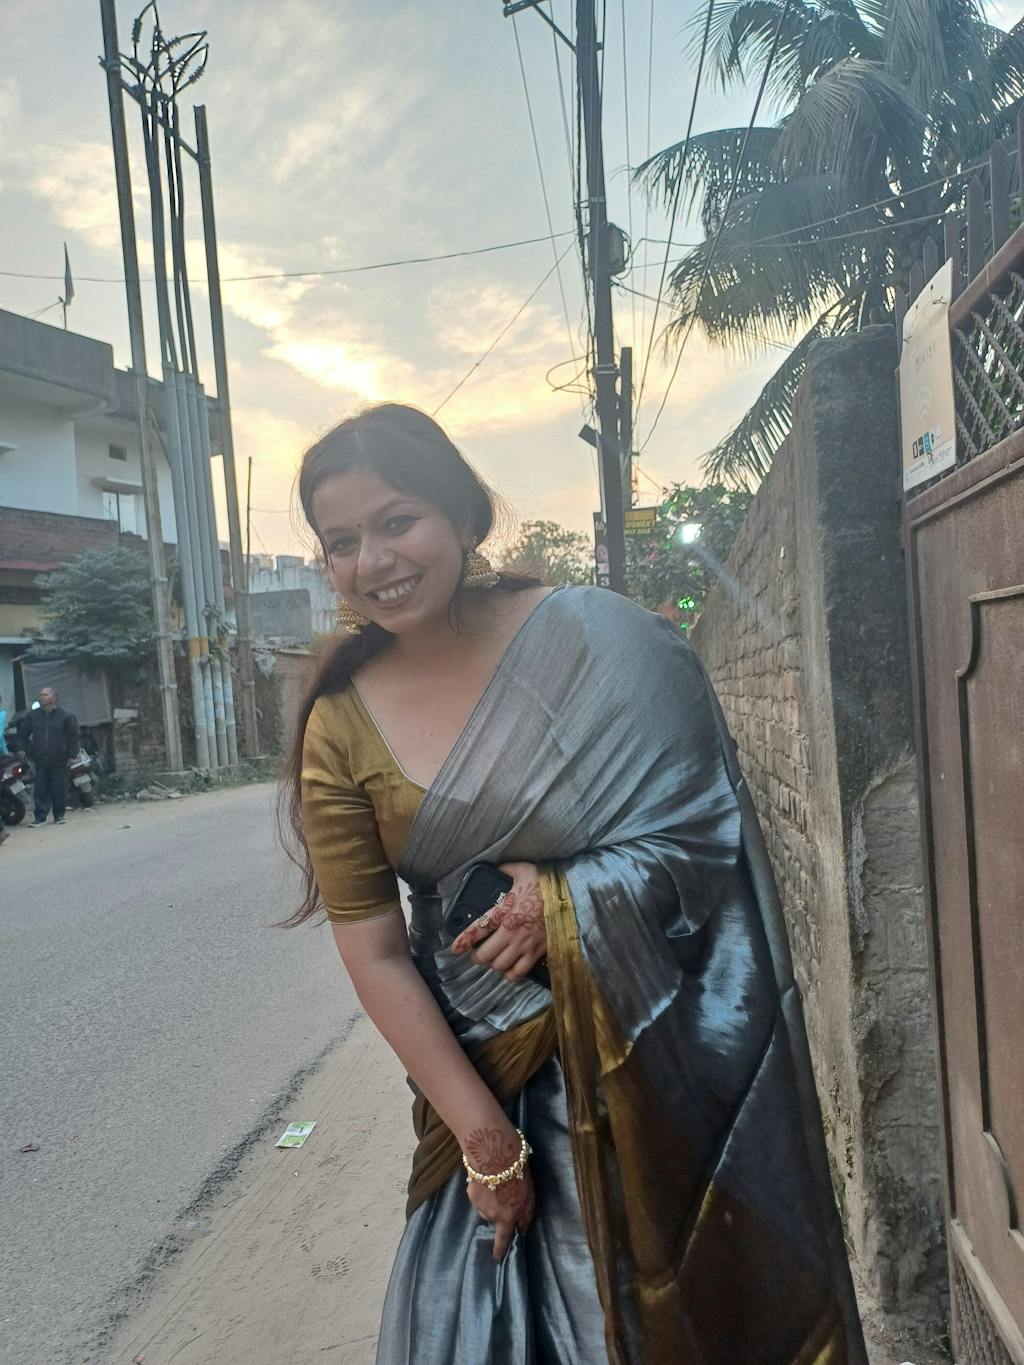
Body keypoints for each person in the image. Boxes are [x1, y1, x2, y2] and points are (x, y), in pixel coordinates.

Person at [281, 403, 867, 1365]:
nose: (373, 561)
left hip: (657, 1068)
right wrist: (484, 1142)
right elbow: (375, 949)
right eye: (341, 543)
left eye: (397, 521)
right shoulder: (339, 722)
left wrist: (561, 901)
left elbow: (703, 829)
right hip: (485, 1075)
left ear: (462, 514)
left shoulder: (602, 640)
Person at [21, 688, 79, 827]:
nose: (42, 697)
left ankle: (59, 815)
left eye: (45, 695)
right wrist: (24, 749)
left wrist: (72, 755)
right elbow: (23, 735)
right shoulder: (32, 716)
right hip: (40, 759)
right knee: (41, 789)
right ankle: (40, 817)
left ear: (54, 697)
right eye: (41, 694)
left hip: (60, 758)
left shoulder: (66, 716)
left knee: (59, 788)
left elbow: (73, 737)